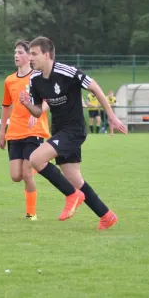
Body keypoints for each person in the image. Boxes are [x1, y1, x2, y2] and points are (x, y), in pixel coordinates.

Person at [19, 36, 127, 230]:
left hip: (74, 129)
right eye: (29, 54)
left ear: (47, 54)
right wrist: (27, 104)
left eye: (34, 54)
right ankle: (106, 215)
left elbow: (95, 88)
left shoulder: (66, 72)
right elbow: (37, 110)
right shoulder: (35, 79)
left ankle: (72, 195)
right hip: (59, 130)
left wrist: (110, 115)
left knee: (35, 159)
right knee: (74, 179)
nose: (30, 58)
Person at [0, 40, 51, 221]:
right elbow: (5, 107)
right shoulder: (9, 80)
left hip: (34, 131)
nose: (16, 55)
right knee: (16, 176)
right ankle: (38, 165)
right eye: (15, 52)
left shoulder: (38, 77)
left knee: (27, 174)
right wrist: (2, 133)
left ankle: (31, 214)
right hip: (14, 132)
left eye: (20, 52)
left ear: (29, 56)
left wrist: (37, 113)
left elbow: (48, 100)